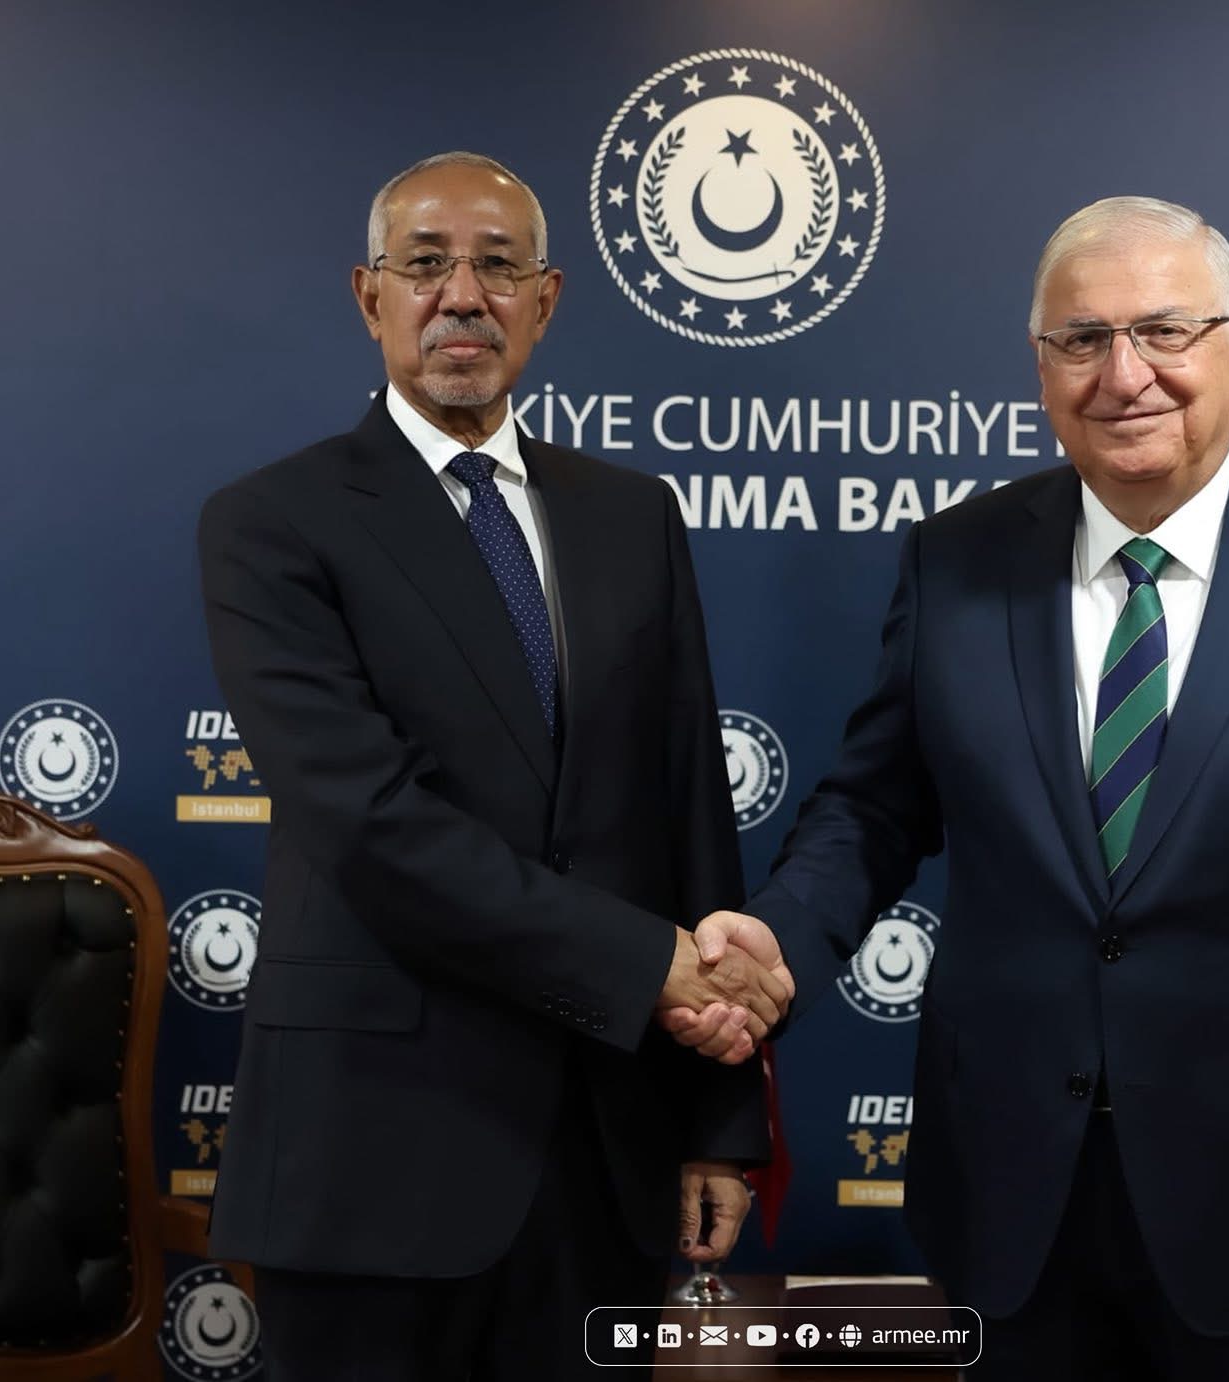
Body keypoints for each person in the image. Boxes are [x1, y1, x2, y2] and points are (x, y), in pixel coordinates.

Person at [663, 196, 1229, 1380]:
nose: (1123, 374)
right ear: (1040, 365)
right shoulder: (955, 558)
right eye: (1082, 339)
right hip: (1007, 1188)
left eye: (1163, 331)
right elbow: (874, 806)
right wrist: (777, 942)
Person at [197, 150, 793, 1381]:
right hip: (371, 1155)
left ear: (546, 298)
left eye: (496, 266)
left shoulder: (632, 515)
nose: (460, 295)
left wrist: (718, 1120)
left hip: (604, 1150)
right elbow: (371, 826)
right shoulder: (271, 521)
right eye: (424, 263)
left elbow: (690, 811)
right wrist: (648, 964)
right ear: (369, 294)